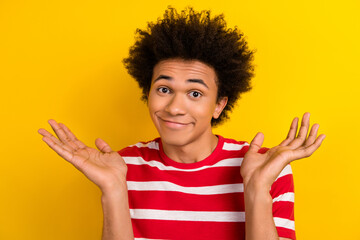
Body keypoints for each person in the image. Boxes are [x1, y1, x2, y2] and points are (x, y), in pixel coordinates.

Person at [38, 7, 325, 240]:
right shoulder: (121, 166)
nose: (174, 108)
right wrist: (113, 191)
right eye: (163, 89)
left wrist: (257, 189)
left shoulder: (267, 168)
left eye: (195, 93)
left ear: (219, 105)